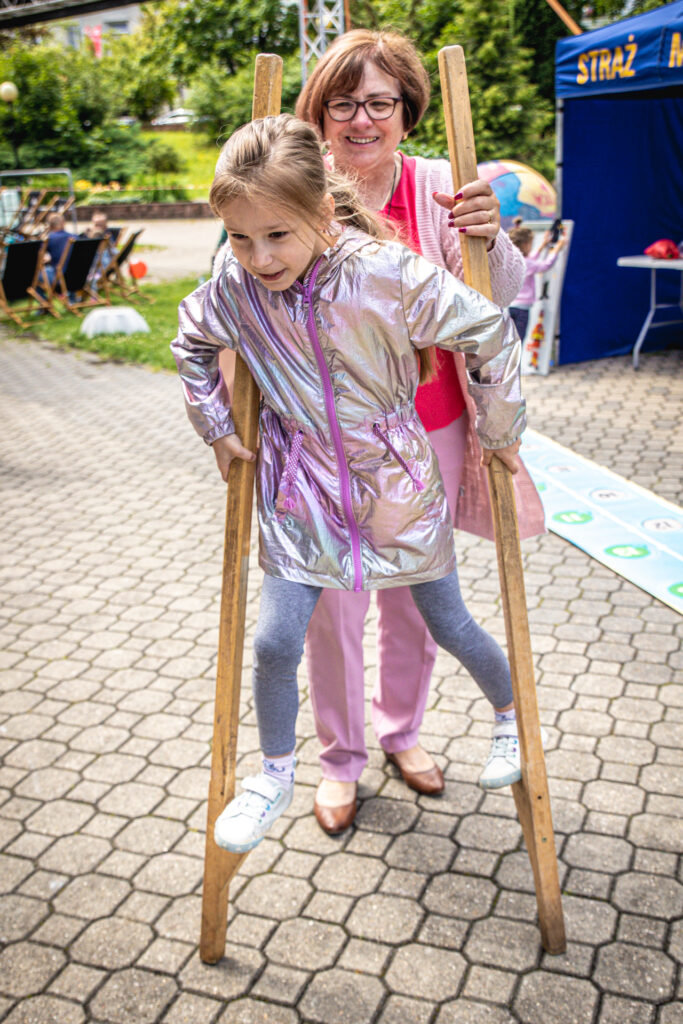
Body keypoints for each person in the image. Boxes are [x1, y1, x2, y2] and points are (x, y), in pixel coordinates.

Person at [172, 114, 529, 855]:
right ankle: (273, 774)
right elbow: (191, 344)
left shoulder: (385, 272)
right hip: (299, 492)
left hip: (397, 487)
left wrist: (498, 431)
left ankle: (508, 718)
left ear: (322, 214)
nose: (258, 256)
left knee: (447, 624)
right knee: (274, 641)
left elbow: (490, 331)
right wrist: (214, 426)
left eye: (276, 234)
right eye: (239, 237)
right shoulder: (235, 288)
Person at [294, 29, 544, 832]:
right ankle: (339, 759)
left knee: (415, 602)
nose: (361, 119)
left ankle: (401, 733)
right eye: (344, 103)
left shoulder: (441, 182)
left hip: (430, 426)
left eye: (379, 103)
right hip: (324, 437)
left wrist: (490, 235)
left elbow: (499, 295)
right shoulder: (297, 186)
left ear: (406, 112)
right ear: (320, 113)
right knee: (334, 607)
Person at [508, 220, 568, 341]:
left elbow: (530, 259)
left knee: (512, 339)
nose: (532, 246)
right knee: (519, 340)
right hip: (522, 309)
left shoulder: (515, 260)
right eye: (531, 244)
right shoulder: (527, 263)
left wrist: (542, 246)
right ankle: (516, 360)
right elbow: (546, 265)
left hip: (511, 306)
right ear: (525, 245)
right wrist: (557, 248)